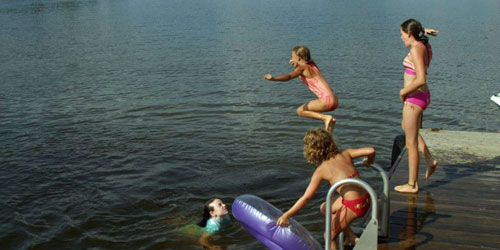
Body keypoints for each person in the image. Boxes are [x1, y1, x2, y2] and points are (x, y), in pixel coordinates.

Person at [276, 128, 376, 249]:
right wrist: (368, 162)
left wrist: (287, 215)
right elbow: (371, 150)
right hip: (367, 197)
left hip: (355, 206)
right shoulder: (345, 153)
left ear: (311, 150)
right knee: (325, 208)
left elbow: (306, 198)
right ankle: (351, 237)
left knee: (328, 236)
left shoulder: (321, 170)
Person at [395, 19, 439, 194]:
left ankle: (412, 184)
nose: (401, 37)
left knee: (410, 143)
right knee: (406, 127)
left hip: (415, 99)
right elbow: (419, 35)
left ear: (410, 34)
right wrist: (425, 31)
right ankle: (429, 160)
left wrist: (403, 91)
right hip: (419, 97)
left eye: (402, 34)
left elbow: (421, 79)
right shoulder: (421, 44)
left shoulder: (416, 49)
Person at [265, 46, 338, 133]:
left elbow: (289, 76)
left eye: (292, 57)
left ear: (298, 58)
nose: (291, 59)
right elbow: (303, 72)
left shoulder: (302, 68)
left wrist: (274, 78)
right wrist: (296, 65)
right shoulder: (312, 65)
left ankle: (326, 118)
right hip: (334, 99)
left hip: (326, 100)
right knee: (327, 125)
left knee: (300, 111)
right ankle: (329, 130)